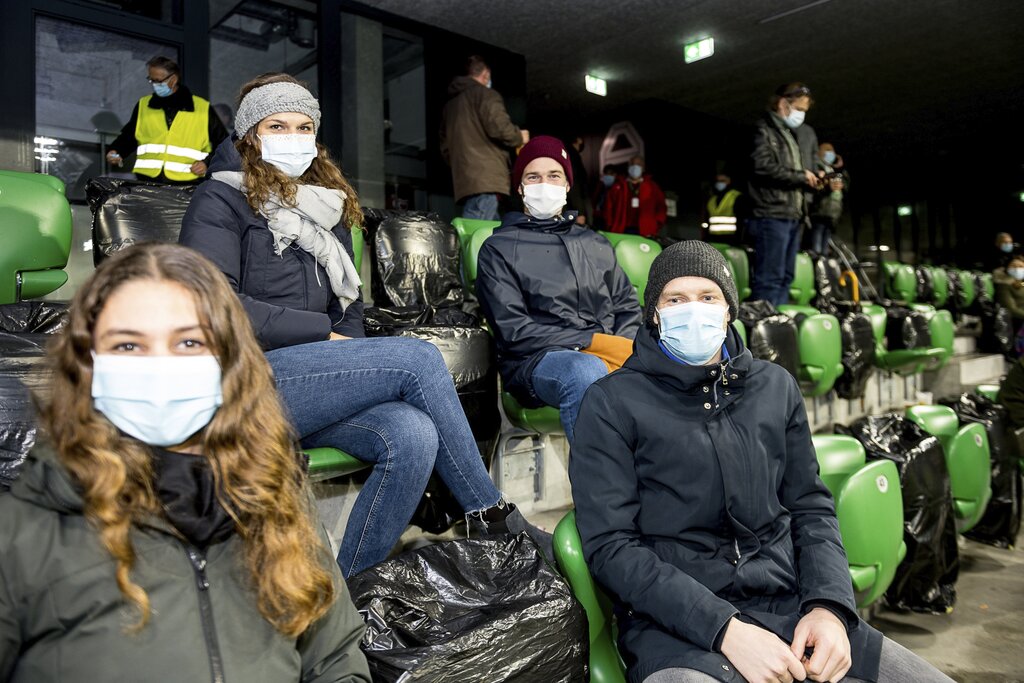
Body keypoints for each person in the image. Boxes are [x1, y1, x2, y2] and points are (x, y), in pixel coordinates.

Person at [179, 73, 548, 577]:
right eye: (277, 124)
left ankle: (351, 584)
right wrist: (322, 337)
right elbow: (214, 306)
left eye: (304, 126)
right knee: (416, 356)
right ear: (250, 134)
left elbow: (348, 306)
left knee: (413, 433)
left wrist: (346, 356)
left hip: (311, 382)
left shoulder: (323, 210)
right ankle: (489, 514)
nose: (293, 136)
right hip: (246, 379)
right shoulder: (218, 201)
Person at [569, 240, 956, 683]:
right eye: (676, 299)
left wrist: (828, 607)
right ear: (655, 313)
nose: (693, 310)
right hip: (677, 629)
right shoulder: (611, 402)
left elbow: (811, 507)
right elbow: (612, 546)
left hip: (791, 608)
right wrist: (724, 630)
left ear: (729, 309)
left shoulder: (776, 386)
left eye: (708, 297)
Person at [0, 243, 370, 682]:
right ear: (89, 366)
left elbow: (336, 661)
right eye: (128, 345)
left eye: (190, 341)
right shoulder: (22, 532)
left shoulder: (280, 501)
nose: (161, 366)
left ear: (229, 361)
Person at [475, 136, 642, 443]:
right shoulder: (498, 248)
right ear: (521, 188)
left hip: (608, 352)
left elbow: (627, 306)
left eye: (554, 175)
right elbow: (515, 332)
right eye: (533, 176)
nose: (544, 184)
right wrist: (593, 342)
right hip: (535, 362)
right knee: (584, 370)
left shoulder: (595, 243)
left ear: (567, 186)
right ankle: (602, 488)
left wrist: (624, 347)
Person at [748, 82, 821, 305]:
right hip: (772, 213)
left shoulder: (790, 134)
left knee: (786, 276)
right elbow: (762, 167)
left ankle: (778, 325)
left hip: (792, 214)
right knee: (771, 277)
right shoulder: (764, 130)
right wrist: (800, 176)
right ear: (783, 103)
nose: (801, 115)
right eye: (799, 108)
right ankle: (766, 326)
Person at [106, 56, 228, 184]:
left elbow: (224, 144)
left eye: (157, 81)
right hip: (147, 183)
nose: (154, 85)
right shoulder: (144, 105)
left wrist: (206, 163)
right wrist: (116, 151)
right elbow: (129, 136)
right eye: (151, 80)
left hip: (187, 185)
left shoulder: (202, 108)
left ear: (173, 80)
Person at [440, 55, 530, 220]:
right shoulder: (485, 95)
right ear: (486, 74)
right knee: (477, 231)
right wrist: (519, 136)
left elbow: (445, 148)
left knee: (489, 229)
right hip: (486, 175)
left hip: (465, 178)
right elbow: (499, 127)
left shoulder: (449, 107)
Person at [605, 155, 668, 237]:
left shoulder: (652, 186)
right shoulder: (618, 186)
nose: (635, 167)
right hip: (621, 230)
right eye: (632, 164)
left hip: (645, 231)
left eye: (638, 164)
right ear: (628, 167)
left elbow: (661, 207)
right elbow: (609, 207)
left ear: (643, 168)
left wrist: (657, 224)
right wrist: (610, 224)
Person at [808, 142, 849, 255]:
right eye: (827, 152)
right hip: (820, 211)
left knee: (826, 240)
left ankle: (824, 261)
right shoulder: (817, 168)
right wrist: (827, 187)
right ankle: (816, 260)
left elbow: (845, 185)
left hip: (832, 212)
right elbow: (816, 189)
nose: (830, 155)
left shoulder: (834, 171)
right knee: (817, 241)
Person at [702, 173, 744, 240]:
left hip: (731, 238)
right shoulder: (712, 200)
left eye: (722, 181)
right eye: (718, 181)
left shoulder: (736, 196)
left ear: (729, 181)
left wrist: (739, 238)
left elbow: (741, 219)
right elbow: (707, 220)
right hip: (713, 238)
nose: (719, 183)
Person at [565, 135, 592, 225]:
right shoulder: (572, 155)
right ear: (579, 140)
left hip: (573, 205)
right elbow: (574, 184)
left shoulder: (570, 154)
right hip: (575, 206)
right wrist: (579, 212)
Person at [994, 255, 1024, 330]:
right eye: (1013, 266)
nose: (1017, 269)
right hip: (1016, 322)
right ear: (1007, 268)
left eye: (1021, 266)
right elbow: (1011, 309)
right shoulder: (1003, 285)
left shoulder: (1021, 283)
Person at [592, 163, 619, 230]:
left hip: (610, 221)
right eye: (605, 174)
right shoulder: (600, 186)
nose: (606, 176)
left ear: (614, 175)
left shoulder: (618, 189)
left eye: (608, 174)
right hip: (598, 217)